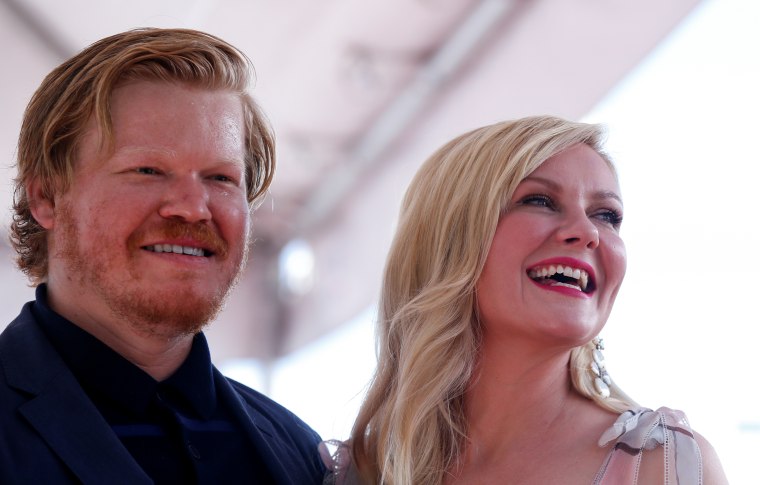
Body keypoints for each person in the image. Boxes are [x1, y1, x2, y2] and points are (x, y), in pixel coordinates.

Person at [325, 116, 728, 484]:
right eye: (539, 200)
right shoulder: (363, 471)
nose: (587, 232)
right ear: (448, 240)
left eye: (606, 215)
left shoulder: (665, 467)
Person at [0, 28, 325, 484]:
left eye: (221, 178)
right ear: (46, 197)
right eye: (148, 170)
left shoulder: (304, 455)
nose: (193, 207)